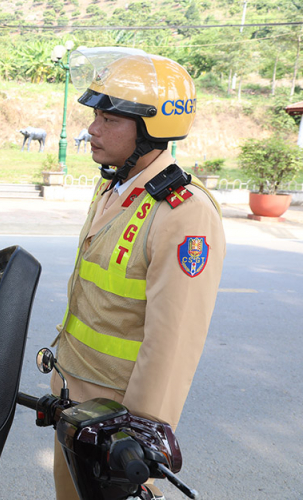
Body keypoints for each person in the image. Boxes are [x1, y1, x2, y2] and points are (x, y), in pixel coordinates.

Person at [50, 49, 225, 500]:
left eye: (109, 119)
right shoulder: (113, 183)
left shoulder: (183, 212)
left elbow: (174, 340)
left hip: (119, 419)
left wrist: (142, 432)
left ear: (152, 129)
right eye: (94, 115)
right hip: (77, 403)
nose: (91, 128)